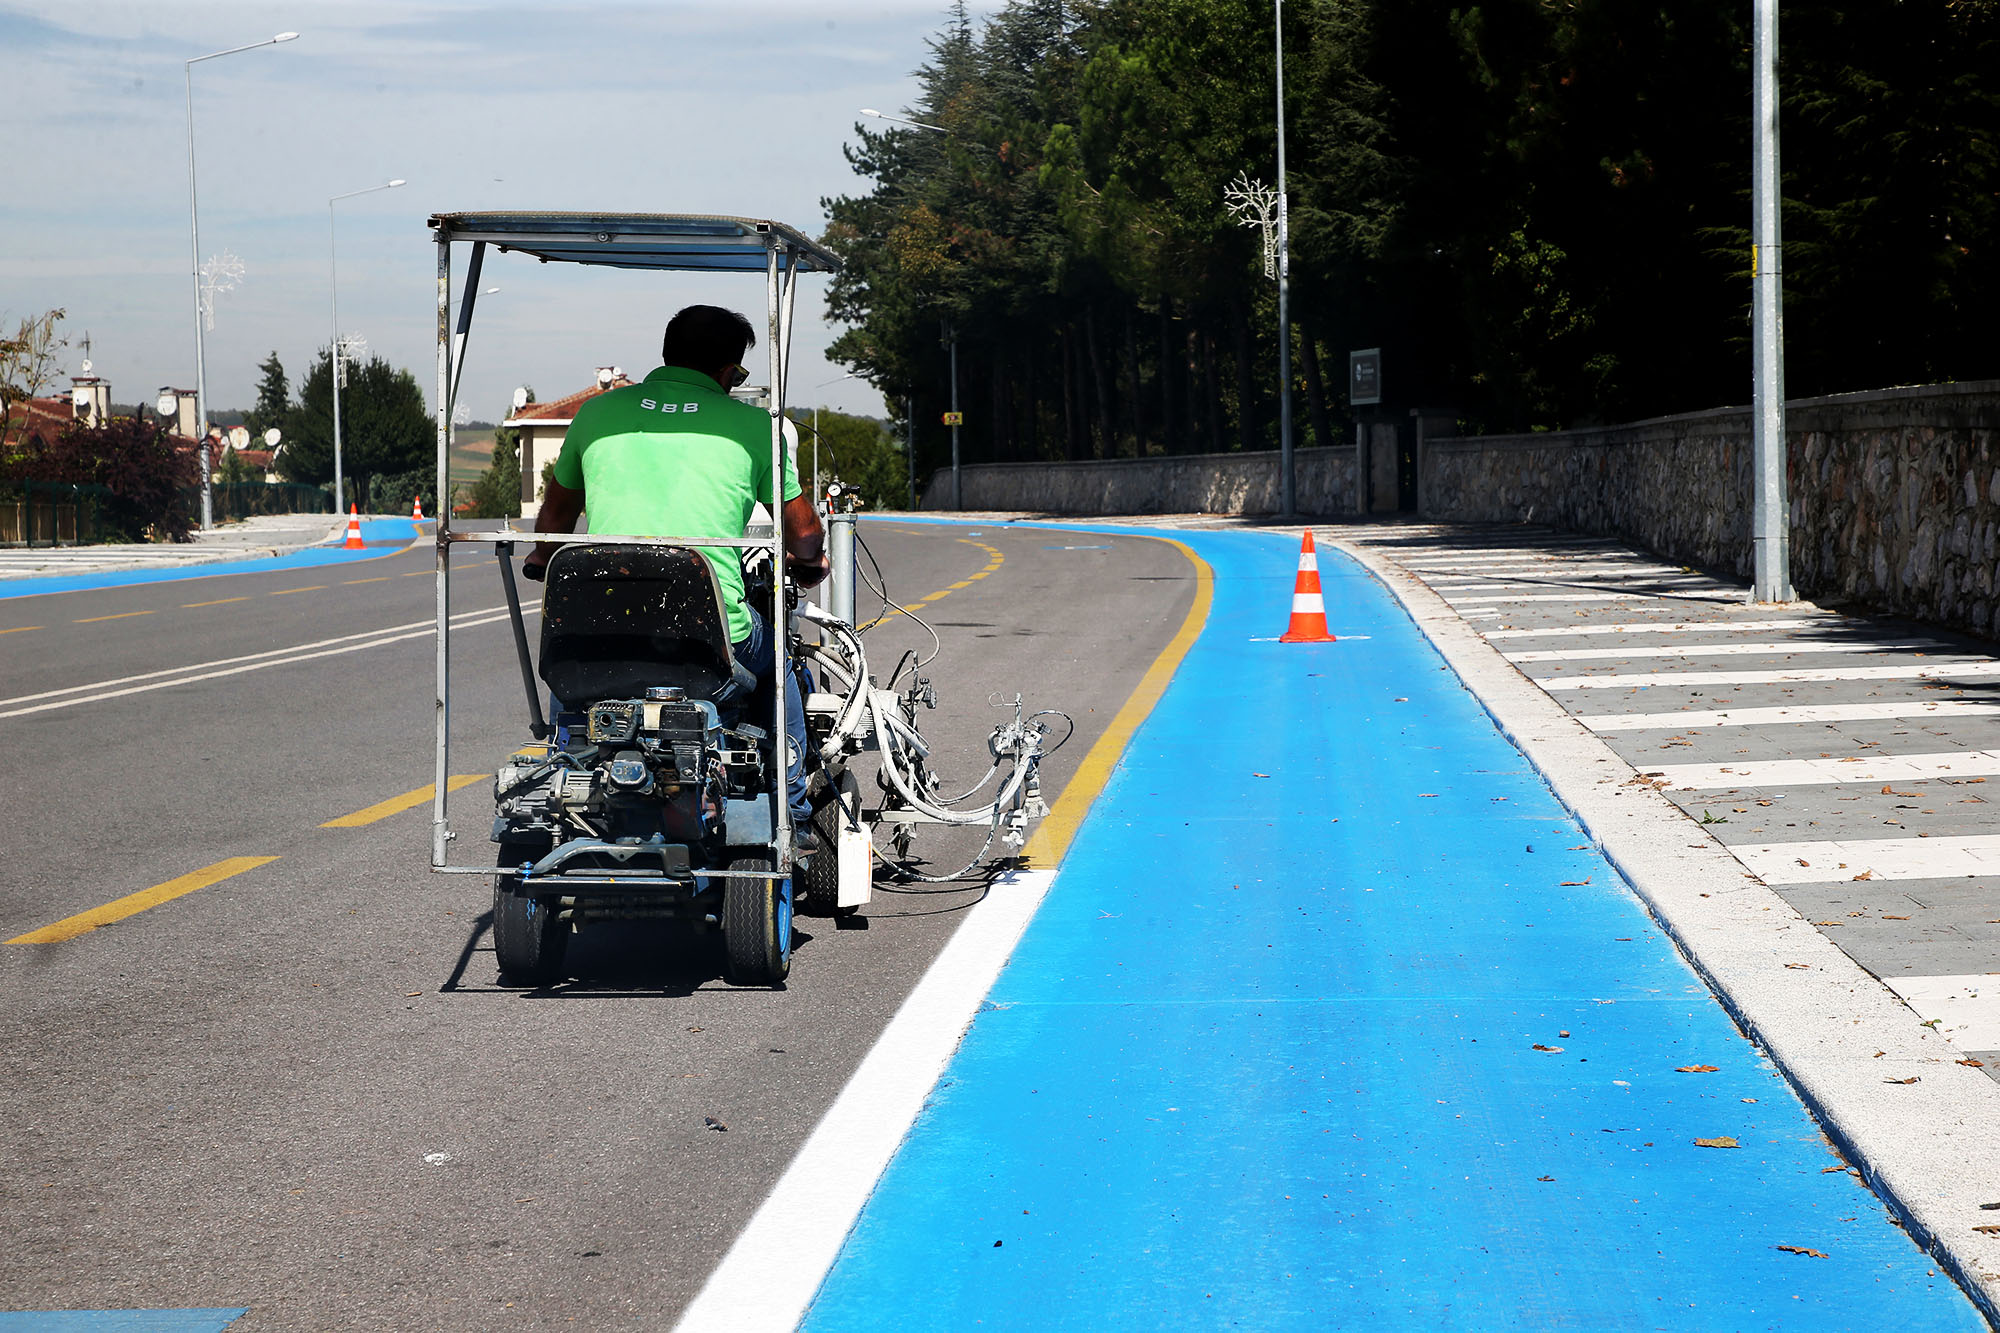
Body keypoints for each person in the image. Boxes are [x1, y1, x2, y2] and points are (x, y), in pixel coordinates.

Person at [525, 304, 827, 836]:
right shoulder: (754, 426)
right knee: (778, 665)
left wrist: (543, 555)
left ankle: (566, 763)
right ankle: (793, 810)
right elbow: (804, 535)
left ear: (667, 354)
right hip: (706, 641)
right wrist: (810, 561)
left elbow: (554, 518)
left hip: (602, 631)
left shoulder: (597, 415)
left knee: (576, 658)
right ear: (730, 372)